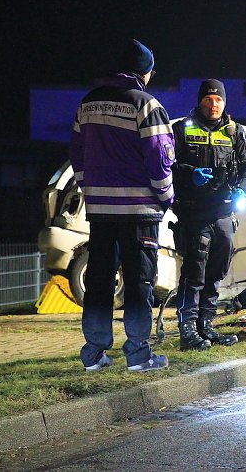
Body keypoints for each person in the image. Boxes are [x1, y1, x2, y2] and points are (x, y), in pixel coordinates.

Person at [69, 38, 175, 372]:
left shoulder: (87, 104)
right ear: (146, 71)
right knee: (139, 280)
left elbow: (77, 154)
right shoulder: (146, 104)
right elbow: (160, 158)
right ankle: (139, 355)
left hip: (101, 211)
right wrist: (166, 196)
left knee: (100, 281)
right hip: (139, 210)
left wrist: (92, 190)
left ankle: (95, 354)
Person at [171, 79, 246, 351]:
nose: (213, 104)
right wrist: (188, 174)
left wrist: (243, 189)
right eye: (208, 99)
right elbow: (167, 166)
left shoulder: (234, 131)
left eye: (218, 100)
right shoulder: (182, 129)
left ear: (224, 102)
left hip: (223, 211)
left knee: (217, 270)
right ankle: (188, 331)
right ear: (200, 101)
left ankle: (206, 326)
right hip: (194, 211)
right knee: (194, 271)